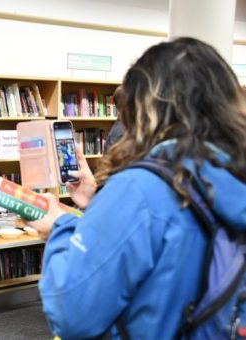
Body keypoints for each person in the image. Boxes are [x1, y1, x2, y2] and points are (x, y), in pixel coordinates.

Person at [29, 37, 246, 339]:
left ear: (145, 105)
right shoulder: (230, 174)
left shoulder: (139, 188)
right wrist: (98, 204)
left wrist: (61, 227)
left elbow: (72, 314)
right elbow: (179, 237)